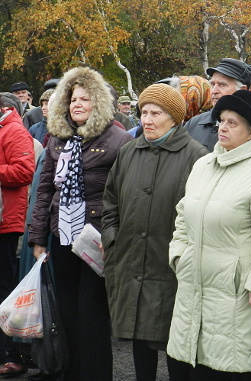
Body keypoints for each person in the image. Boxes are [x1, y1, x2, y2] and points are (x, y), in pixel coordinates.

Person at [167, 90, 251, 380]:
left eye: (232, 123)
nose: (222, 127)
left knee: (232, 366)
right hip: (196, 285)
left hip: (238, 294)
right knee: (198, 366)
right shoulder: (203, 165)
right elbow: (183, 216)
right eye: (221, 121)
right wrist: (179, 256)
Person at [28, 66, 133, 381]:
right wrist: (36, 239)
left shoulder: (118, 139)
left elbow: (124, 195)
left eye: (85, 99)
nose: (77, 105)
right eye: (73, 99)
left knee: (93, 314)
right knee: (68, 312)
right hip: (62, 236)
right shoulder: (58, 138)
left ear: (98, 102)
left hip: (97, 238)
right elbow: (45, 188)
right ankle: (71, 373)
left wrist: (114, 237)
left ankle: (97, 374)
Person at [101, 83, 207, 381]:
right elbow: (111, 201)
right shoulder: (129, 151)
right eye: (143, 112)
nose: (146, 119)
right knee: (137, 334)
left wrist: (184, 256)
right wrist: (112, 239)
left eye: (155, 113)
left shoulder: (196, 156)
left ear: (174, 117)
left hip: (170, 263)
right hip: (131, 259)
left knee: (175, 338)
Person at [184, 58, 251, 167]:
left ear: (243, 90)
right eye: (212, 84)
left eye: (222, 85)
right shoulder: (194, 124)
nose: (214, 91)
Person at [0, 96, 36, 378]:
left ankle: (12, 355)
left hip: (6, 223)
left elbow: (24, 172)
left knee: (5, 289)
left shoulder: (13, 130)